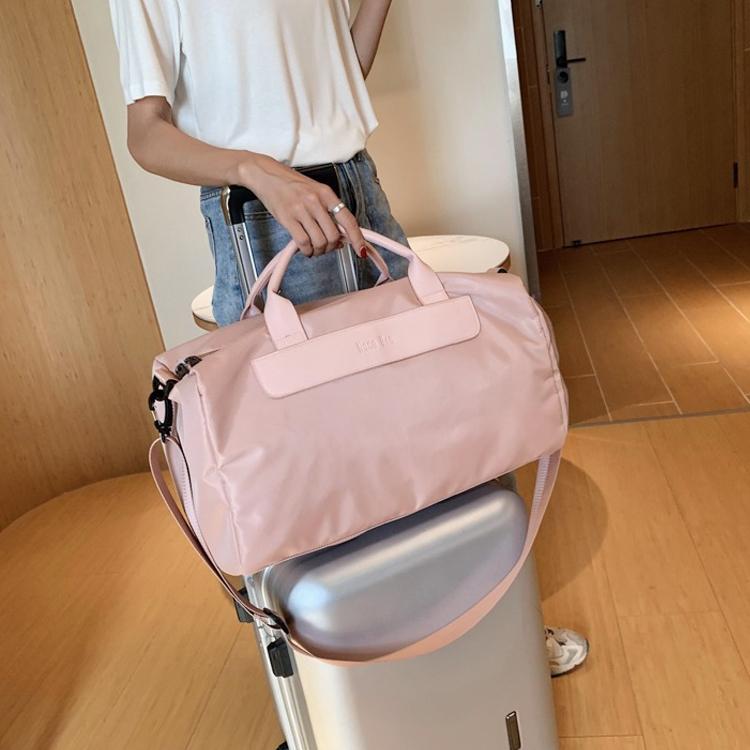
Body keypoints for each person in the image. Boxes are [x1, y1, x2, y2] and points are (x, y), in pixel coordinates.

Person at [109, 0, 588, 677]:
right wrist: (255, 170)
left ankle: (489, 639)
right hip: (266, 212)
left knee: (436, 418)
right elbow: (146, 133)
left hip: (354, 182)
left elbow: (340, 76)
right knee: (316, 466)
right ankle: (362, 680)